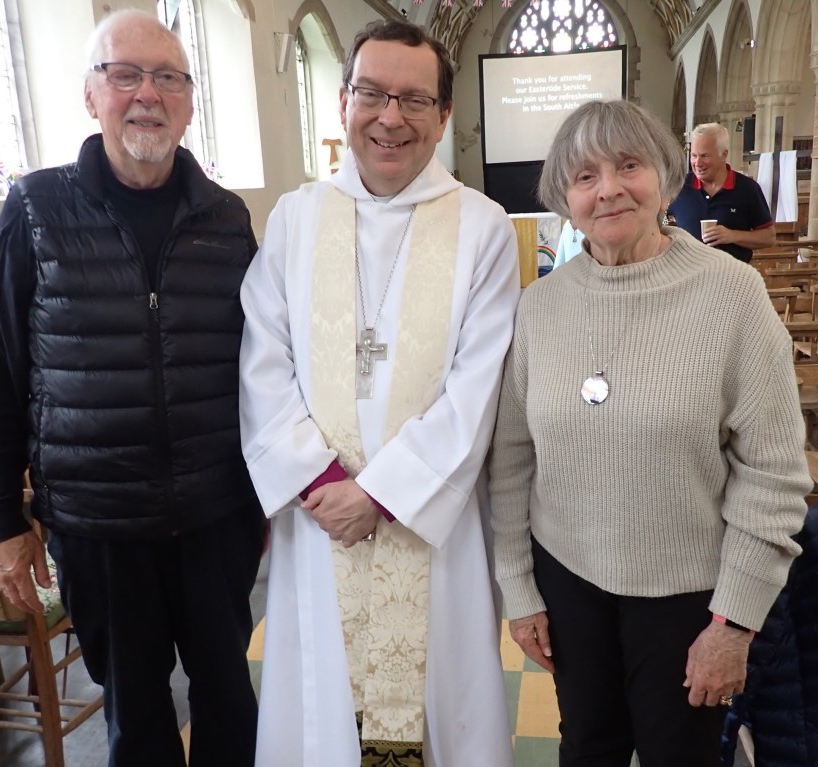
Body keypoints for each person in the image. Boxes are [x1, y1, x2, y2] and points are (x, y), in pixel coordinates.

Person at [0, 10, 263, 766]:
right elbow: (0, 376)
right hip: (99, 525)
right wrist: (4, 521)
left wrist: (267, 494)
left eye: (167, 77)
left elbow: (262, 365)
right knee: (136, 719)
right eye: (125, 75)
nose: (147, 95)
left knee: (231, 701)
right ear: (90, 95)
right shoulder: (35, 210)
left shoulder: (227, 219)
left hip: (215, 516)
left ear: (189, 101)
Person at [489, 100, 811, 767]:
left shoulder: (733, 295)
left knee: (680, 756)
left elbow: (774, 473)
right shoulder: (539, 307)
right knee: (586, 748)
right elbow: (514, 459)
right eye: (585, 176)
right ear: (565, 199)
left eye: (628, 165)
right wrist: (518, 589)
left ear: (665, 178)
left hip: (689, 596)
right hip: (568, 582)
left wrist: (734, 623)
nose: (608, 188)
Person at [239, 18, 519, 767]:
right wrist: (323, 482)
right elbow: (262, 362)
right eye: (372, 93)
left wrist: (382, 495)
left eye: (414, 99)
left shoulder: (483, 228)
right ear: (343, 102)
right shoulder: (296, 219)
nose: (391, 117)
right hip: (321, 520)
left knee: (441, 706)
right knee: (323, 711)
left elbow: (479, 387)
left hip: (431, 525)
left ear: (444, 115)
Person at [668, 122, 776, 262]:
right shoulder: (680, 186)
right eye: (694, 156)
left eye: (705, 156)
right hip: (688, 272)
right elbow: (659, 219)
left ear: (723, 154)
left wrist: (733, 236)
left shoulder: (748, 189)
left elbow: (769, 237)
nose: (697, 163)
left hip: (733, 273)